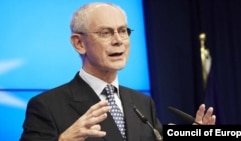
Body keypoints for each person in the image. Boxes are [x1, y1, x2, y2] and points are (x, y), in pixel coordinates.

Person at [20, 2, 216, 141]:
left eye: (123, 31)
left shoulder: (141, 102)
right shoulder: (46, 106)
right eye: (106, 33)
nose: (118, 40)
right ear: (79, 43)